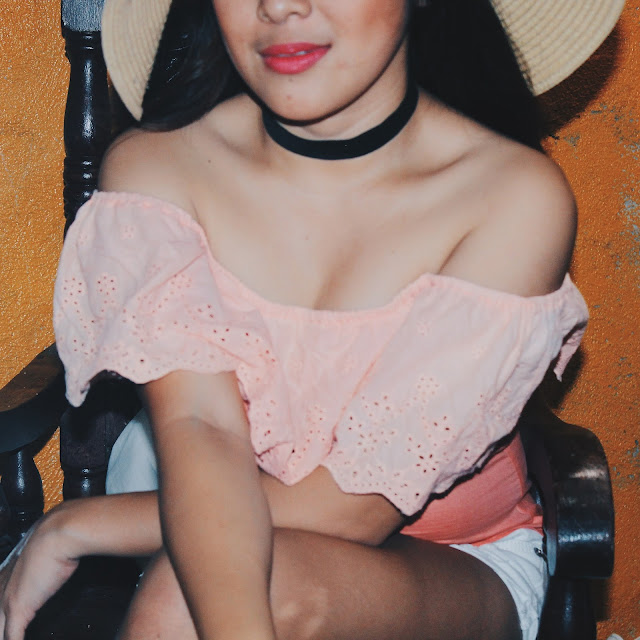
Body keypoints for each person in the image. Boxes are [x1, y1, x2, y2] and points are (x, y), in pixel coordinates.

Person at [0, 0, 624, 639]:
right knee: (188, 598)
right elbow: (203, 429)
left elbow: (356, 511)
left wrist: (81, 524)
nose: (279, 6)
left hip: (456, 562)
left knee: (182, 603)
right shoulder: (159, 171)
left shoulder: (511, 196)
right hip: (222, 526)